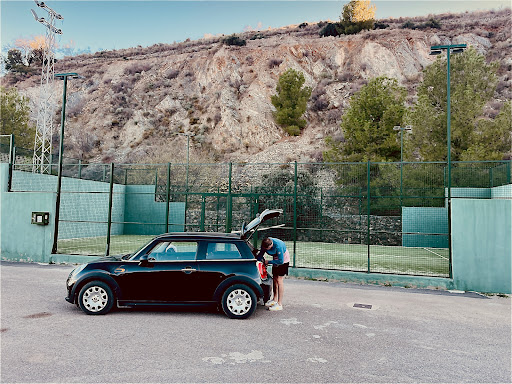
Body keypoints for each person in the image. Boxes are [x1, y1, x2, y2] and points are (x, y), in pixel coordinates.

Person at [256, 237, 290, 311]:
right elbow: (260, 254)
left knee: (279, 280)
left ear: (271, 245)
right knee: (274, 279)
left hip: (283, 260)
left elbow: (281, 261)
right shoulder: (265, 244)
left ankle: (279, 304)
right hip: (275, 259)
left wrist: (268, 262)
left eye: (267, 248)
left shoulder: (278, 246)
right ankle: (274, 299)